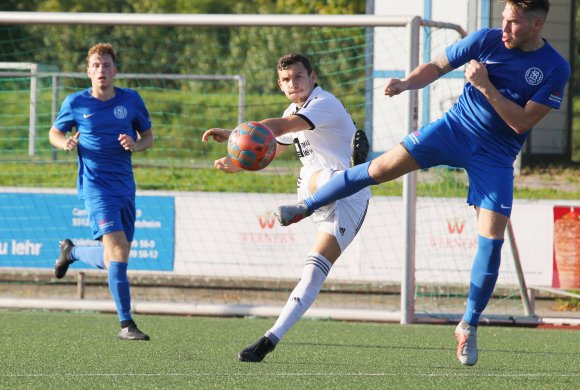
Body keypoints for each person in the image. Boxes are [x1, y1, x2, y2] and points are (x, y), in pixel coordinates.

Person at [275, 0, 570, 366]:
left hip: (494, 156)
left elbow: (522, 123)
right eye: (504, 20)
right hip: (451, 130)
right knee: (379, 169)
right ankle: (305, 207)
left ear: (536, 24)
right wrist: (406, 84)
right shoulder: (486, 40)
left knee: (491, 239)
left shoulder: (555, 68)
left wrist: (486, 86)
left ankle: (468, 326)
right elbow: (437, 65)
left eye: (513, 24)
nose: (505, 29)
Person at [202, 53, 371, 362]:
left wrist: (235, 133)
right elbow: (272, 147)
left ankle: (269, 340)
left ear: (313, 77)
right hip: (314, 184)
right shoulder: (292, 109)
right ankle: (334, 185)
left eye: (298, 77)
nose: (293, 83)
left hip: (352, 200)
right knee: (320, 177)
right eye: (286, 80)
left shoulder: (324, 103)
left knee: (313, 272)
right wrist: (238, 161)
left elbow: (279, 127)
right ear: (279, 85)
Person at [49, 43, 154, 341]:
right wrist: (65, 143)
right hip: (95, 187)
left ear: (115, 70)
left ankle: (73, 252)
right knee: (118, 251)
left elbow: (147, 136)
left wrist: (136, 144)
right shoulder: (75, 103)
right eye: (95, 65)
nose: (101, 71)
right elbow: (54, 132)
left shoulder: (131, 100)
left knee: (114, 259)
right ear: (88, 71)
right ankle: (126, 324)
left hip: (125, 186)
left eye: (106, 65)